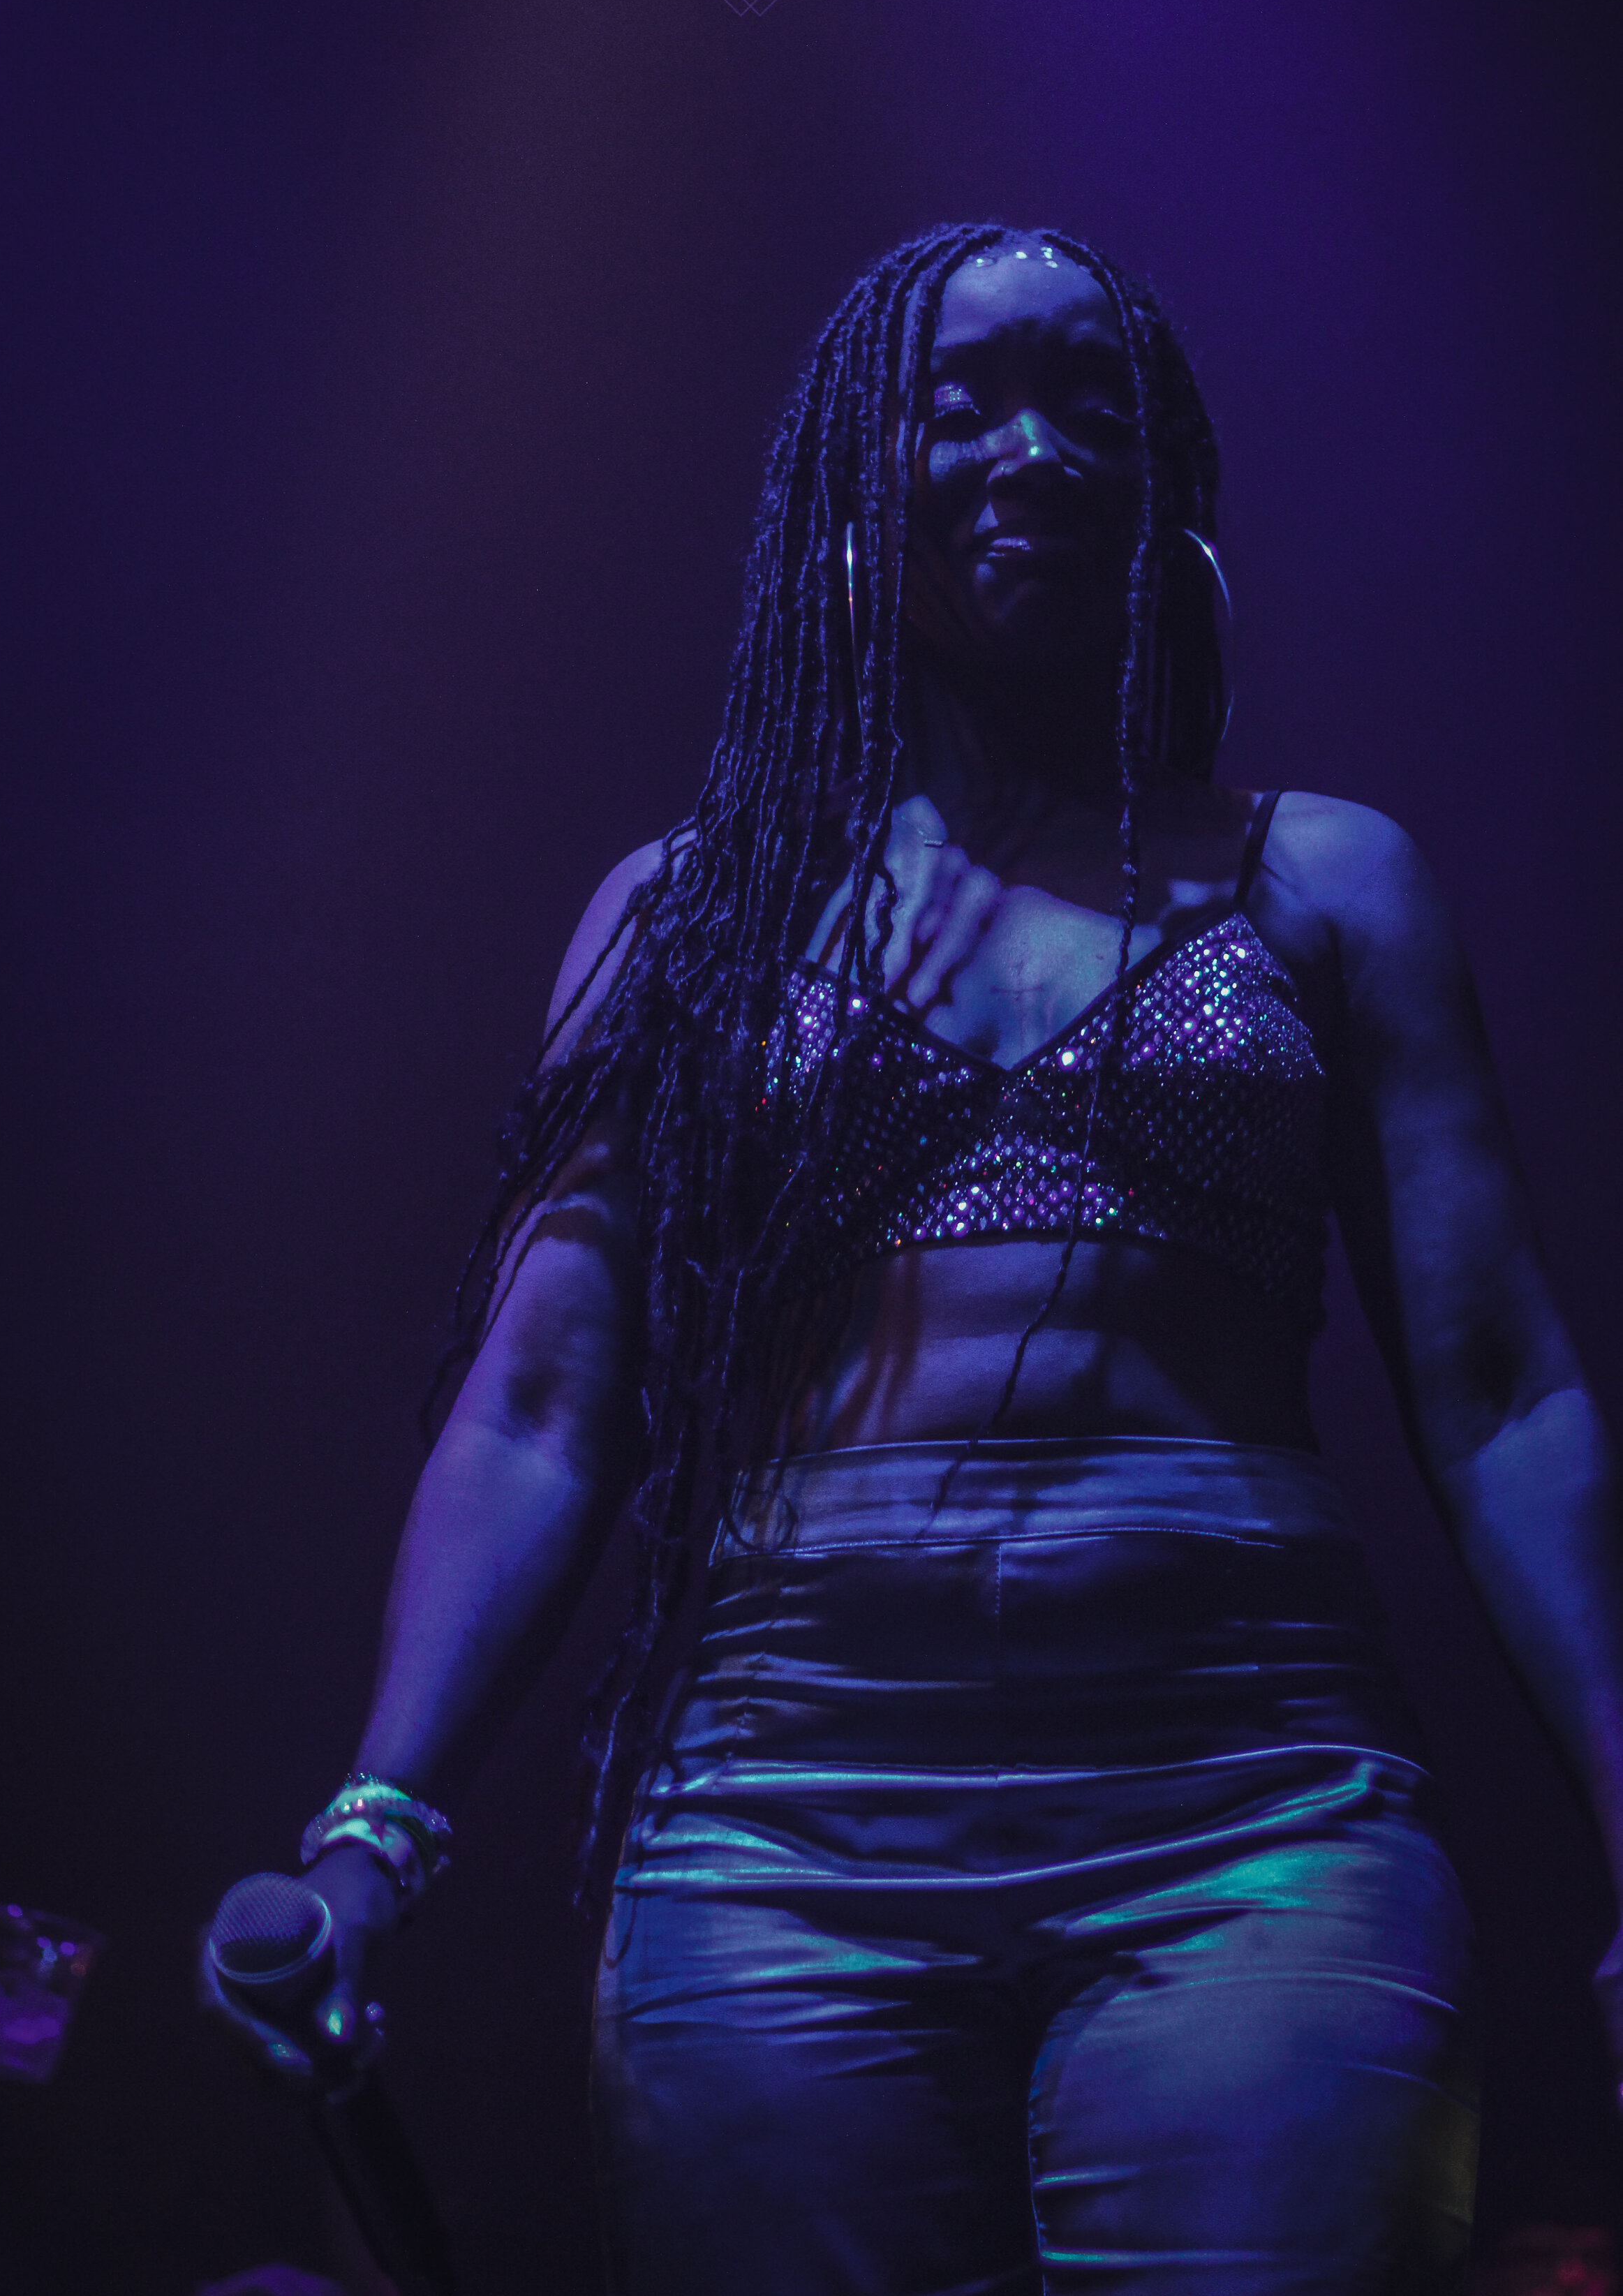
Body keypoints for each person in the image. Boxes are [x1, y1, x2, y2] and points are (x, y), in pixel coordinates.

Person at [209, 224, 1623, 2290]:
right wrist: (369, 1841)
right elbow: (539, 1405)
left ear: (1171, 491)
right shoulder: (681, 915)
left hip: (1254, 1812)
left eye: (1086, 406)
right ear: (836, 496)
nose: (1024, 450)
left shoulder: (1323, 880)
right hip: (776, 1827)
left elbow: (1502, 1390)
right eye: (952, 407)